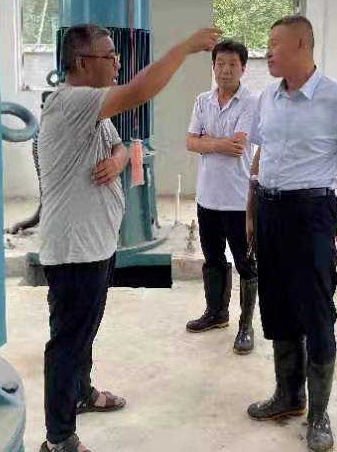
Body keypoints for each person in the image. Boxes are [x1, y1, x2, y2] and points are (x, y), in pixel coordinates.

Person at [38, 24, 222, 452]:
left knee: (82, 334)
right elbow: (140, 92)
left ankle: (81, 393)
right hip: (75, 251)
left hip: (96, 246)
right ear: (82, 62)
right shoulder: (72, 102)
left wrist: (119, 160)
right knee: (68, 343)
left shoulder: (93, 111)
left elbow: (120, 146)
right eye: (110, 55)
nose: (118, 62)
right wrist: (185, 47)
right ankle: (58, 439)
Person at [245, 15, 337, 451]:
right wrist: (252, 209)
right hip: (269, 210)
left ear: (303, 45)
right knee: (277, 304)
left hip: (311, 214)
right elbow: (261, 152)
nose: (267, 51)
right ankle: (288, 396)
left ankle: (319, 415)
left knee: (316, 313)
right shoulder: (268, 97)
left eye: (275, 43)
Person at [185, 39, 259, 354]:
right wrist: (217, 143)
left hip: (239, 199)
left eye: (232, 64)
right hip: (208, 197)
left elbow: (237, 146)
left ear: (243, 68)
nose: (225, 70)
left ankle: (246, 326)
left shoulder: (251, 102)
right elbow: (190, 141)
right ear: (213, 66)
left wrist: (207, 141)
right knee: (213, 259)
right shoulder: (203, 100)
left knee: (246, 263)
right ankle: (216, 313)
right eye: (220, 64)